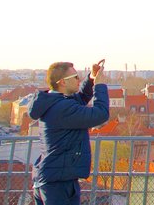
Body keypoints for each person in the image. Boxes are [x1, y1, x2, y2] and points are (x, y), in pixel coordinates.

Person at [28, 59, 110, 205]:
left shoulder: (54, 102)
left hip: (53, 178)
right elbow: (101, 114)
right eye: (75, 77)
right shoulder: (63, 108)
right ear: (62, 82)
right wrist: (100, 85)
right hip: (57, 183)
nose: (78, 80)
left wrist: (91, 78)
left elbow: (81, 98)